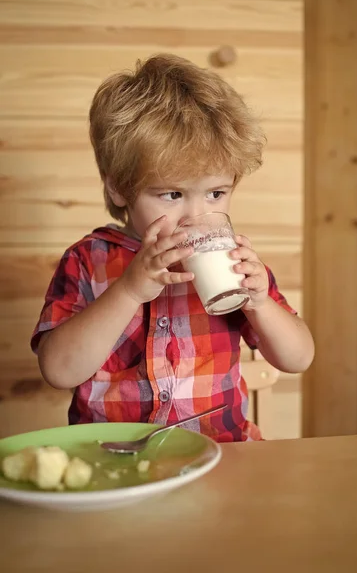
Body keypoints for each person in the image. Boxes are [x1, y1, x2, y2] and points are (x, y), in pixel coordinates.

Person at [31, 54, 314, 442]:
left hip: (222, 457)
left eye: (216, 193)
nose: (195, 215)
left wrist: (261, 302)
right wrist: (129, 290)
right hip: (119, 461)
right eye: (172, 194)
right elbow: (59, 370)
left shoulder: (235, 263)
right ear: (118, 187)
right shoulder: (88, 260)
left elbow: (298, 358)